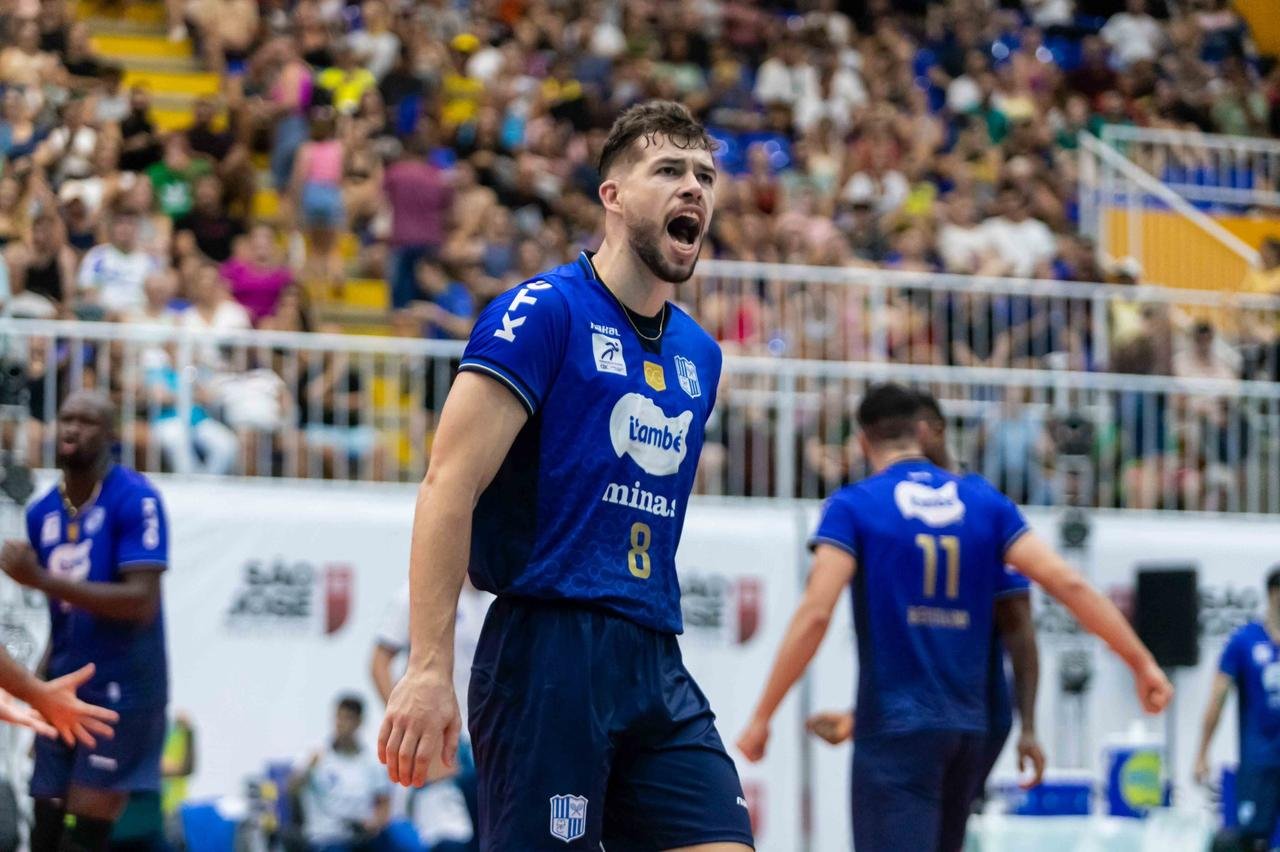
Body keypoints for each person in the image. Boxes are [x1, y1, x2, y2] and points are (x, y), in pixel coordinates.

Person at [378, 100, 753, 851]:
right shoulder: (541, 312)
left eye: (704, 177)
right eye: (669, 171)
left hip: (652, 648)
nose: (694, 191)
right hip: (546, 653)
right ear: (611, 197)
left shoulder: (700, 356)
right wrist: (426, 668)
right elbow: (448, 483)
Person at [736, 383, 1171, 852]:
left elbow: (815, 613)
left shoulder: (854, 505)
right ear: (921, 435)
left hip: (896, 730)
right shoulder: (985, 502)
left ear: (863, 441)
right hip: (968, 732)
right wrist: (1140, 661)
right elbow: (1070, 584)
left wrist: (763, 715)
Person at [805, 392, 1046, 793]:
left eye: (915, 427)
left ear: (932, 431)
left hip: (968, 718)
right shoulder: (893, 508)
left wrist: (1030, 727)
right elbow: (918, 649)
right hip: (931, 721)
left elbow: (1019, 626)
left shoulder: (981, 505)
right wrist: (856, 719)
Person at [0, 390, 170, 852]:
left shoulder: (136, 499)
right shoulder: (40, 511)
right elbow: (62, 615)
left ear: (111, 435)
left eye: (87, 421)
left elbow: (141, 602)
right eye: (66, 419)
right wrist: (37, 682)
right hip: (62, 681)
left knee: (84, 834)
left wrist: (39, 578)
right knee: (42, 827)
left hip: (124, 687)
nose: (72, 429)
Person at [370, 581, 489, 852]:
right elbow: (379, 663)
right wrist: (413, 732)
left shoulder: (498, 601)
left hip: (484, 747)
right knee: (447, 842)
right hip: (441, 746)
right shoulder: (419, 594)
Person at [1193, 567, 1280, 851]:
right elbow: (1218, 697)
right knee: (1252, 840)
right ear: (1272, 594)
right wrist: (1202, 752)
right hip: (1260, 761)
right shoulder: (1245, 642)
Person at [290, 695, 391, 852]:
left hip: (362, 836)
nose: (341, 724)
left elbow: (383, 803)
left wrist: (375, 823)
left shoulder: (372, 760)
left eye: (348, 718)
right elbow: (291, 789)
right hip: (327, 837)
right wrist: (308, 769)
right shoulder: (316, 753)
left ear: (359, 722)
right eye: (338, 717)